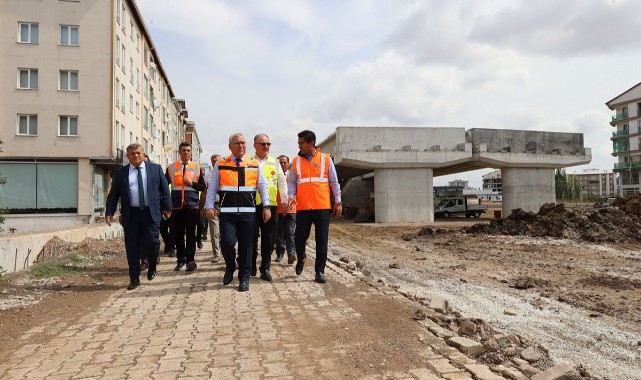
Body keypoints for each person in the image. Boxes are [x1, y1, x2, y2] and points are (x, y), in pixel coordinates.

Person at [204, 133, 271, 292]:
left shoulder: (254, 163)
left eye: (243, 143)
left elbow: (262, 186)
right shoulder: (221, 164)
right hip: (227, 213)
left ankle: (244, 278)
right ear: (230, 147)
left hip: (248, 214)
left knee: (247, 247)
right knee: (227, 243)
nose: (241, 146)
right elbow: (213, 187)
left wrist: (267, 206)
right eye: (237, 143)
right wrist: (209, 206)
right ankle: (230, 266)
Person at [105, 143, 172, 290]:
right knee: (132, 247)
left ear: (143, 154)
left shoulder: (155, 169)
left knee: (153, 242)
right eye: (132, 153)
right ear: (128, 156)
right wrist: (109, 212)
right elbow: (114, 194)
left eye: (138, 153)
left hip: (151, 213)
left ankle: (152, 265)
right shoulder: (121, 173)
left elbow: (164, 189)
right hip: (131, 214)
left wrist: (168, 208)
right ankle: (134, 278)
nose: (136, 155)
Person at [288, 130, 342, 284]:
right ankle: (301, 257)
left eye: (301, 143)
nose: (299, 146)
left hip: (322, 206)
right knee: (299, 238)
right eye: (299, 143)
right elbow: (292, 182)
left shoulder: (326, 159)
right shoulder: (296, 161)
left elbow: (334, 182)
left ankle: (319, 271)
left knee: (321, 240)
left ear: (311, 143)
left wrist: (337, 201)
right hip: (303, 207)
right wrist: (291, 196)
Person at [249, 134, 288, 281]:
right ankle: (251, 264)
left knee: (269, 240)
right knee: (251, 237)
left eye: (268, 144)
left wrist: (284, 199)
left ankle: (265, 268)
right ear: (255, 145)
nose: (266, 147)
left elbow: (282, 182)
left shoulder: (274, 162)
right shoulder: (249, 161)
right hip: (252, 205)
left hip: (271, 205)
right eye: (263, 144)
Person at [165, 142, 206, 272]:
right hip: (176, 206)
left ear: (191, 152)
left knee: (190, 234)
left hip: (192, 206)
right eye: (183, 150)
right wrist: (166, 204)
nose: (186, 153)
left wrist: (191, 183)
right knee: (178, 234)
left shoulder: (197, 167)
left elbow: (202, 187)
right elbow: (164, 186)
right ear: (179, 152)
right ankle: (180, 260)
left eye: (188, 150)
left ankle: (190, 260)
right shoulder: (171, 167)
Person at [199, 154, 222, 263]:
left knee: (226, 230)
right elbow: (204, 193)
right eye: (213, 161)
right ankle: (216, 254)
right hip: (212, 205)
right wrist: (202, 207)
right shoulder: (207, 177)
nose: (215, 162)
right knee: (214, 230)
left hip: (226, 205)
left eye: (217, 160)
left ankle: (226, 251)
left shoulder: (226, 175)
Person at [275, 155, 296, 265]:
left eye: (284, 162)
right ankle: (280, 253)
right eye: (281, 162)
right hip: (278, 209)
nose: (283, 164)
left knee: (290, 232)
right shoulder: (275, 176)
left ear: (288, 164)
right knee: (279, 233)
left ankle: (291, 253)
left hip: (291, 209)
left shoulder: (292, 177)